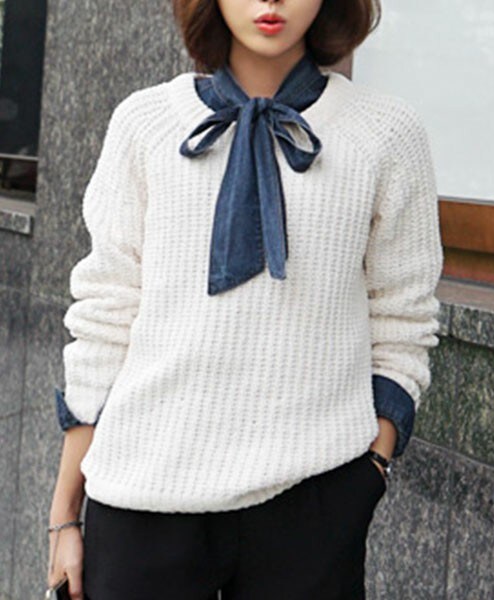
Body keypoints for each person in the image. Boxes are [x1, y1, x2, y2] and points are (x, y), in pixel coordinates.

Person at [46, 0, 443, 598]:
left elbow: (403, 315)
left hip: (313, 501)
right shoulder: (147, 123)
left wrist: (372, 468)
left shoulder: (384, 134)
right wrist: (64, 515)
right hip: (141, 497)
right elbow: (106, 317)